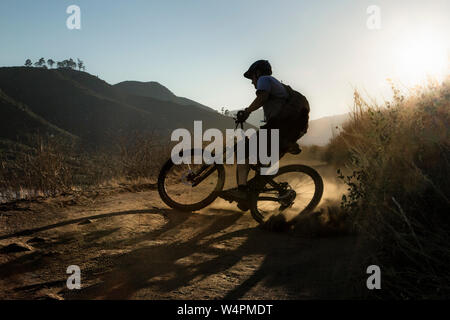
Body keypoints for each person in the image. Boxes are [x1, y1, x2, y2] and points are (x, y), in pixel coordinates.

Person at [221, 60, 310, 203]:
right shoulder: (277, 87)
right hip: (288, 131)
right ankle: (254, 196)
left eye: (252, 78)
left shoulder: (265, 79)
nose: (252, 82)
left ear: (258, 73)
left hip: (280, 129)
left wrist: (247, 112)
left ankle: (242, 192)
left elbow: (261, 97)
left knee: (243, 150)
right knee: (263, 166)